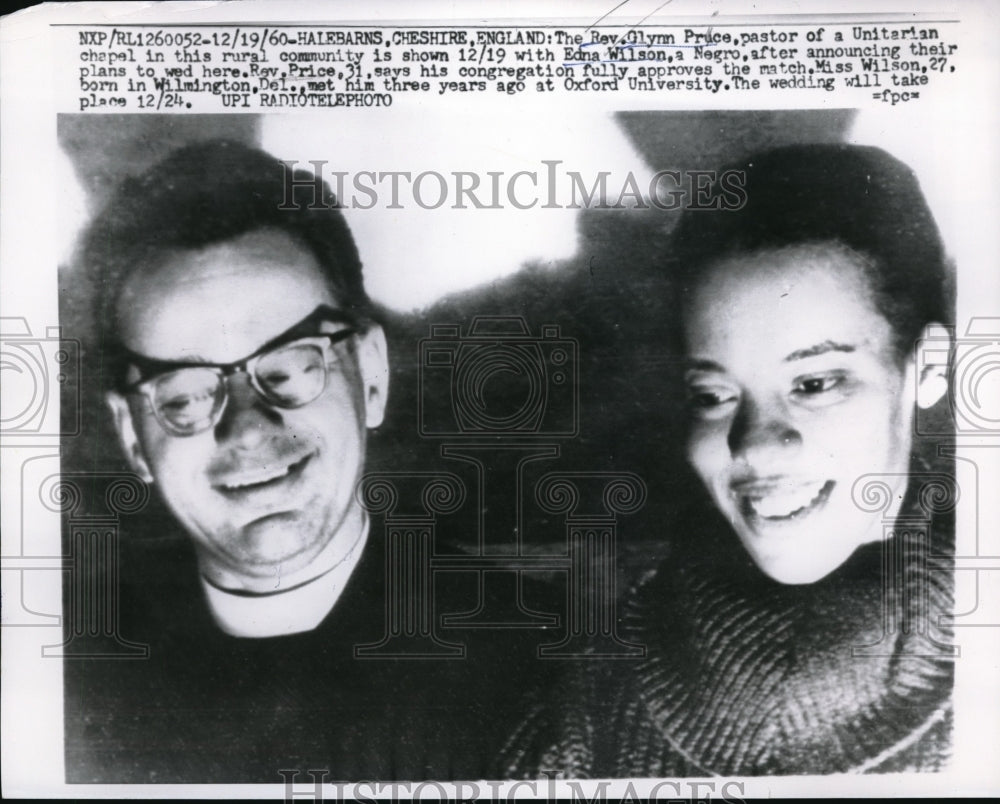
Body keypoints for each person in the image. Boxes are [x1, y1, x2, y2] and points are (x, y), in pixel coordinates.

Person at [63, 140, 549, 782]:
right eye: (183, 393)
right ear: (131, 436)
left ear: (371, 374)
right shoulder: (63, 683)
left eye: (291, 366)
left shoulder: (546, 662)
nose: (247, 428)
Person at [502, 143, 956, 776]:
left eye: (815, 383)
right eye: (713, 396)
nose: (752, 445)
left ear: (926, 370)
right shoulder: (575, 709)